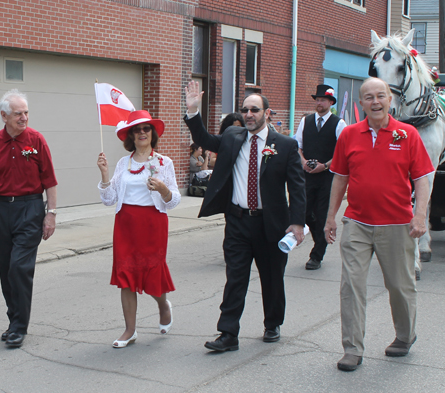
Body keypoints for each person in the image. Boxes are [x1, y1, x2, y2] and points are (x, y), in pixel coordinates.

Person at [184, 80, 306, 352]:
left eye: (255, 110)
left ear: (267, 113)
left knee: (272, 277)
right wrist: (193, 112)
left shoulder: (284, 145)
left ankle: (272, 323)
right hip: (238, 221)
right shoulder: (231, 138)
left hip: (271, 224)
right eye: (245, 110)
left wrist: (296, 223)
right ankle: (228, 333)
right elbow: (204, 140)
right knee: (235, 277)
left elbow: (297, 187)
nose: (249, 114)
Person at [324, 77, 434, 371]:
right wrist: (331, 216)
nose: (375, 102)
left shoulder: (407, 134)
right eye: (369, 97)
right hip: (357, 223)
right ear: (361, 103)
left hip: (397, 224)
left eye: (380, 96)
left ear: (389, 100)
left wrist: (419, 214)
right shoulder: (349, 134)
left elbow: (422, 178)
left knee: (399, 285)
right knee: (352, 286)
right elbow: (340, 177)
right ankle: (353, 348)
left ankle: (404, 336)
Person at [0, 89, 58, 349]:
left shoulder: (36, 140)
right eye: (18, 114)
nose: (24, 117)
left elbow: (50, 181)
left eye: (26, 112)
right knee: (6, 269)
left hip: (30, 209)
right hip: (2, 210)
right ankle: (13, 320)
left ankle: (19, 327)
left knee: (19, 267)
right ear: (4, 115)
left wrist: (50, 214)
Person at [97, 110, 181, 348]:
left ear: (152, 134)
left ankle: (163, 306)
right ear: (131, 136)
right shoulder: (124, 163)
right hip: (125, 223)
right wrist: (104, 176)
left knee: (151, 274)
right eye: (137, 129)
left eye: (146, 129)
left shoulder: (164, 163)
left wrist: (164, 190)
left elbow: (173, 201)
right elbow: (109, 198)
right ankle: (129, 330)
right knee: (126, 276)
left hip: (153, 224)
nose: (142, 133)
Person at [295, 84, 347, 270]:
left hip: (327, 177)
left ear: (330, 102)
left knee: (323, 213)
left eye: (322, 100)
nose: (319, 103)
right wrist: (303, 162)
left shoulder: (338, 124)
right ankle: (319, 238)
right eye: (317, 100)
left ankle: (317, 255)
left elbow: (342, 152)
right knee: (306, 212)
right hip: (307, 176)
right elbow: (297, 145)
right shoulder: (306, 121)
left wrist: (324, 166)